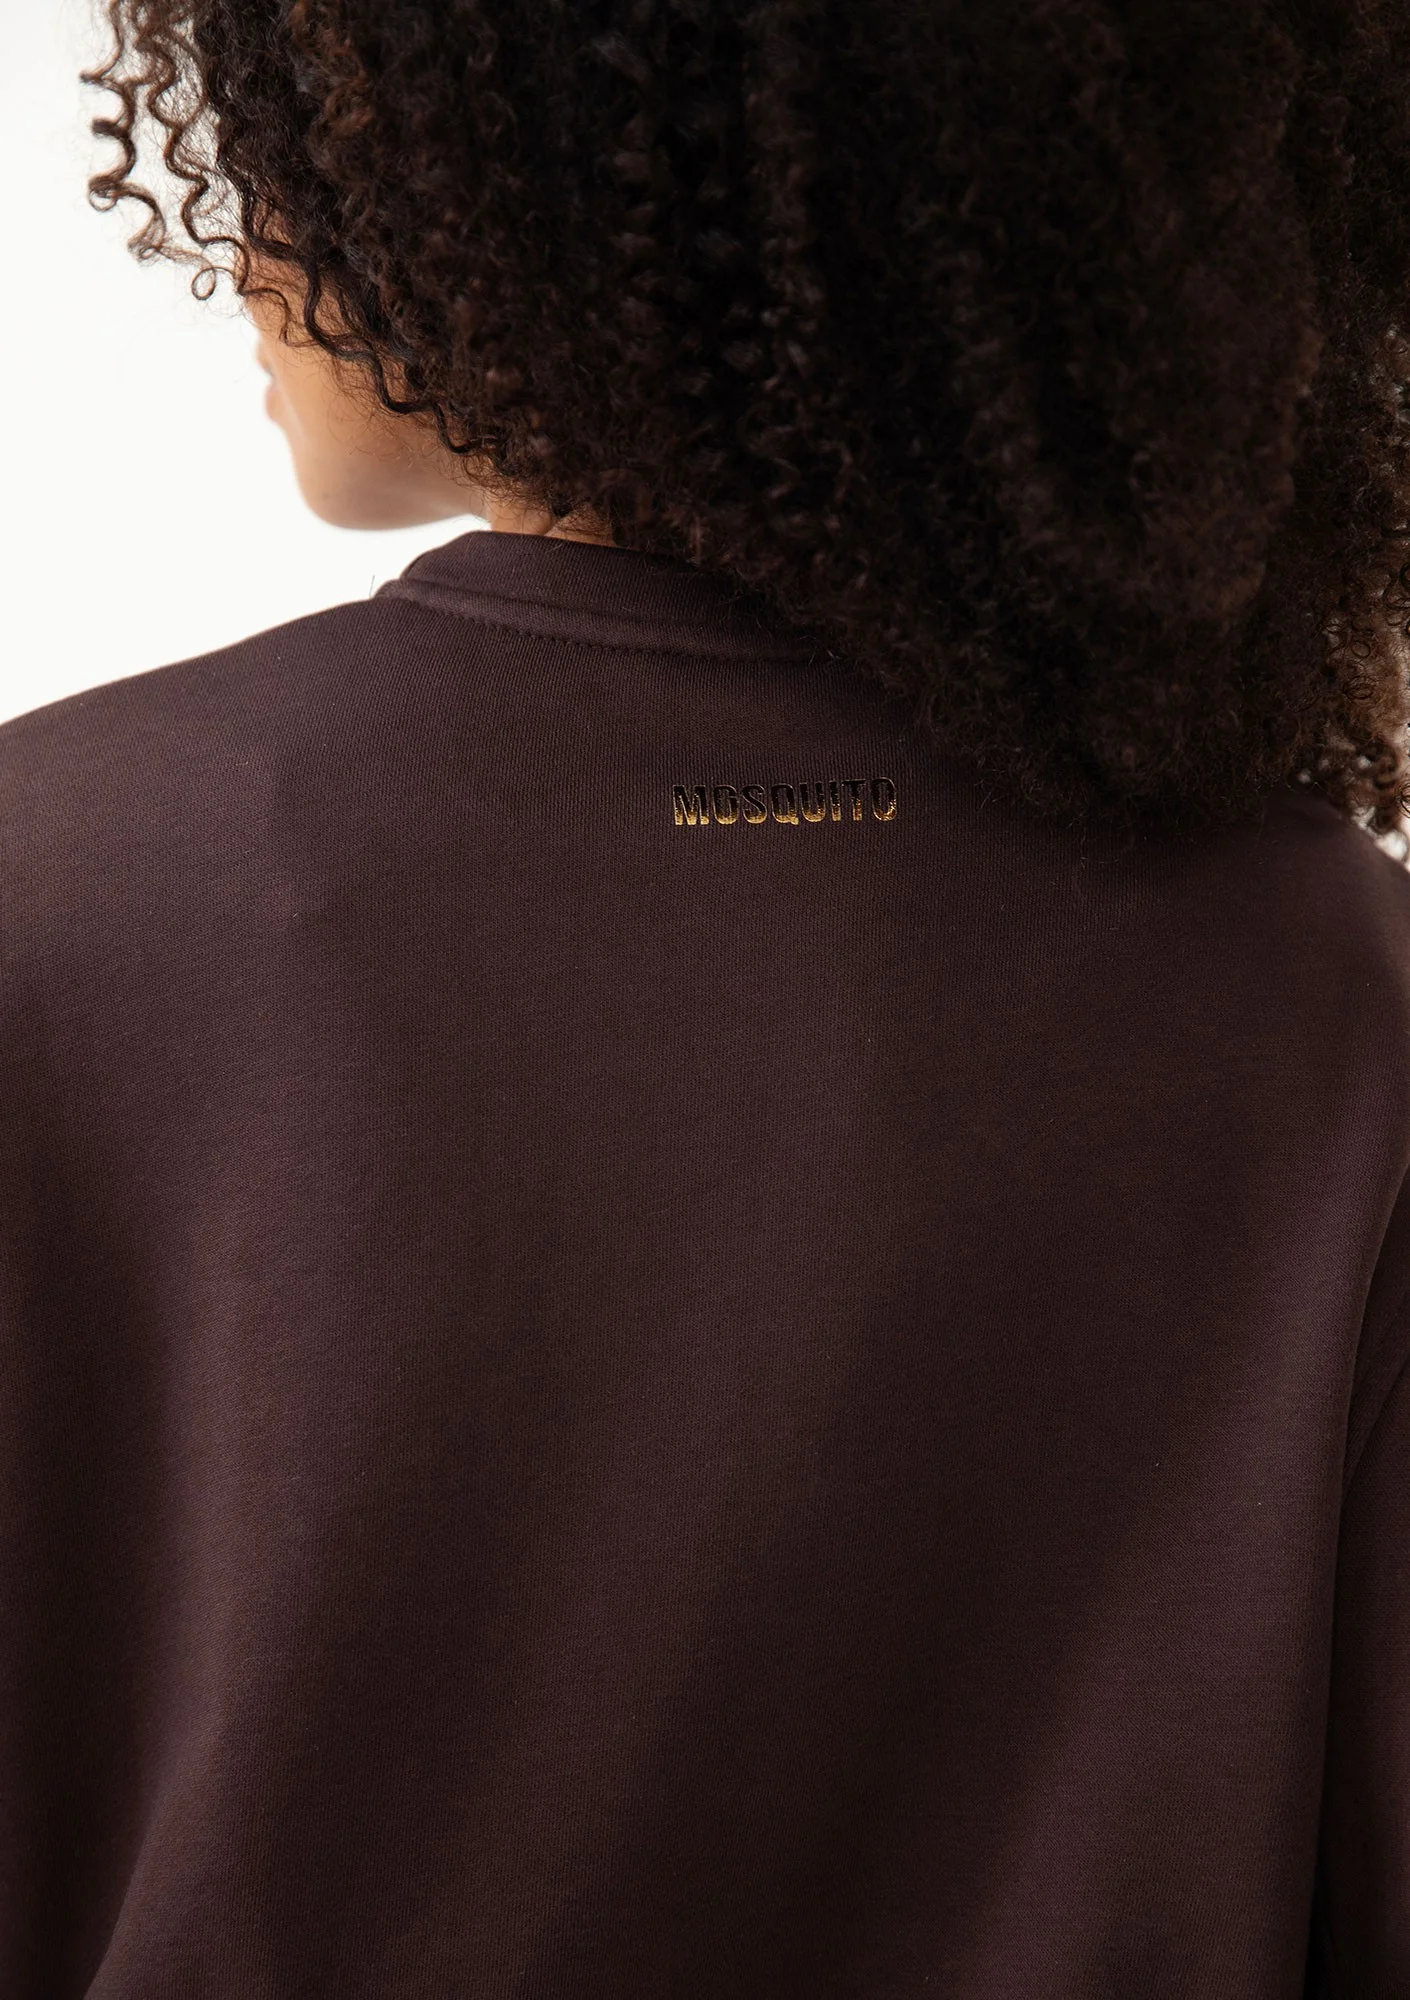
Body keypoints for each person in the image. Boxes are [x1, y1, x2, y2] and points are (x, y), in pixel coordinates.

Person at [3, 2, 1410, 1994]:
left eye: (310, 103)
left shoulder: (53, 888)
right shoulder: (1335, 994)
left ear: (570, 179)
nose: (241, 217)